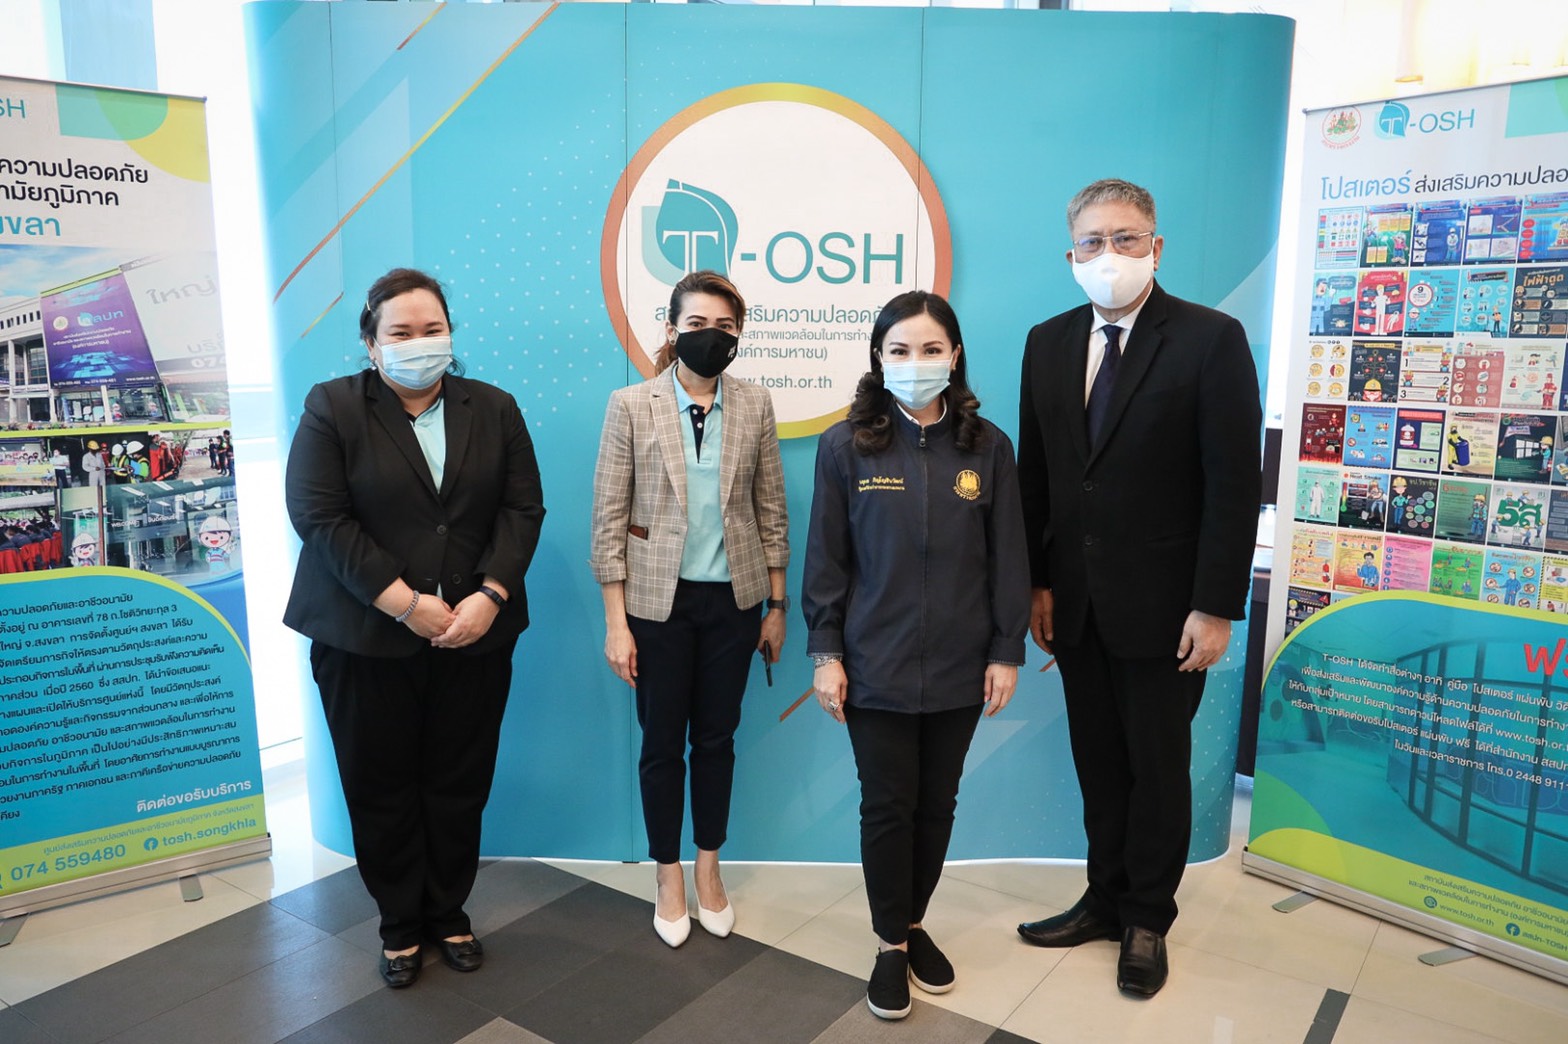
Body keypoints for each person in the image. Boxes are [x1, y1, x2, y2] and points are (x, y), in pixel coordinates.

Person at [1014, 179, 1261, 997]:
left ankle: (1147, 917)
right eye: (1093, 240)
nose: (1108, 254)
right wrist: (1039, 583)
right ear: (1071, 253)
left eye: (1125, 238)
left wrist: (1216, 605)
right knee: (1099, 761)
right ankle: (1104, 898)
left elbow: (1234, 484)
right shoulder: (1047, 341)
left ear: (1156, 247)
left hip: (1170, 608)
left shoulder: (1209, 339)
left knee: (1157, 768)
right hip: (1076, 604)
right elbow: (1039, 476)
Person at [284, 267, 544, 989]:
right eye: (400, 332)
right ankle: (400, 922)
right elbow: (320, 517)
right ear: (371, 343)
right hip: (364, 635)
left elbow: (522, 510)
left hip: (474, 631)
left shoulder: (493, 407)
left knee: (459, 779)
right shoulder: (333, 406)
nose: (419, 342)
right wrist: (403, 601)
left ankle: (449, 911)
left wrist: (491, 595)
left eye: (433, 329)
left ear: (451, 335)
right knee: (381, 783)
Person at [803, 291, 1028, 1021]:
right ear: (878, 358)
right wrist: (826, 651)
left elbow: (1009, 558)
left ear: (954, 356)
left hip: (963, 664)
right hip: (874, 663)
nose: (916, 362)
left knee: (937, 804)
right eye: (899, 350)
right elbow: (827, 560)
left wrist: (1006, 650)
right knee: (888, 806)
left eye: (931, 349)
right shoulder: (846, 446)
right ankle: (889, 946)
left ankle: (914, 920)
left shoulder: (988, 447)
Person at [590, 269, 789, 949]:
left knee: (716, 739)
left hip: (734, 602)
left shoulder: (755, 403)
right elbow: (608, 519)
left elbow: (771, 509)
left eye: (724, 326)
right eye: (697, 324)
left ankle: (708, 866)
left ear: (739, 335)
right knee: (660, 743)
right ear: (672, 328)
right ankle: (667, 873)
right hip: (655, 606)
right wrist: (616, 623)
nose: (711, 336)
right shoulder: (630, 405)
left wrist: (777, 605)